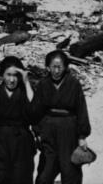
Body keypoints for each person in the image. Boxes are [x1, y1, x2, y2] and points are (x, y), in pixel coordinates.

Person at [33, 50, 91, 184]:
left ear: (65, 67)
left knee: (70, 169)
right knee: (45, 172)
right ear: (48, 67)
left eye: (60, 67)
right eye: (53, 66)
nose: (57, 70)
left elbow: (81, 109)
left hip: (69, 129)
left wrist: (82, 136)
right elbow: (36, 109)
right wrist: (37, 131)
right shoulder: (43, 84)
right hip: (48, 129)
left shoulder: (73, 83)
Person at [0, 56, 36, 184]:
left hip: (21, 143)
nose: (12, 79)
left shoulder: (24, 92)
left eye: (15, 75)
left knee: (21, 176)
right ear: (2, 75)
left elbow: (34, 110)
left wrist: (26, 82)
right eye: (8, 75)